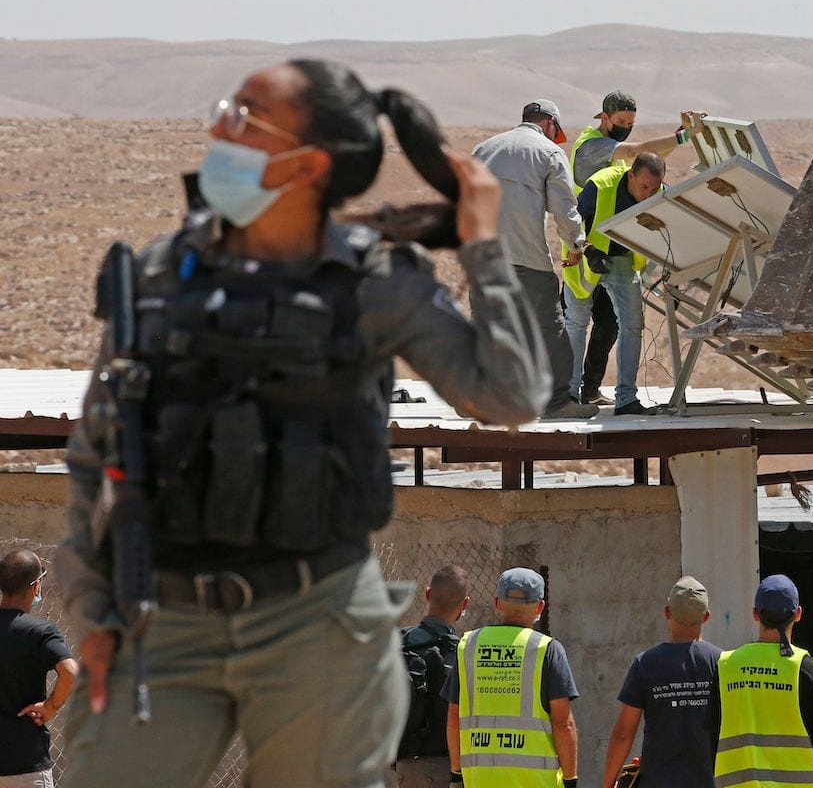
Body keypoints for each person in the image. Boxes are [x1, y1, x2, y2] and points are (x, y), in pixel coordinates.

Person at [54, 59, 551, 788]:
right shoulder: (162, 274)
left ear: (308, 163)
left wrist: (482, 247)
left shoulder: (376, 280)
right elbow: (95, 451)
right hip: (166, 619)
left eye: (245, 117)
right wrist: (92, 611)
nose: (217, 127)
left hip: (317, 621)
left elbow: (511, 396)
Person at [564, 91, 703, 406]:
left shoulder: (648, 185)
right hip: (584, 251)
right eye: (621, 122)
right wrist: (683, 137)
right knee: (577, 322)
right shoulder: (593, 149)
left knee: (618, 325)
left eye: (631, 123)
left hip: (620, 257)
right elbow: (637, 151)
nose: (626, 127)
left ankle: (616, 396)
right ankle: (569, 394)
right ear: (604, 117)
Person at [471, 100, 597, 419]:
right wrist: (575, 245)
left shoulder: (484, 149)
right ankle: (556, 402)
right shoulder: (547, 151)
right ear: (551, 125)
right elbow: (565, 209)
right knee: (548, 327)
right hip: (525, 256)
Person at [443, 568, 579, 787]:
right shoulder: (547, 649)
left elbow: (453, 715)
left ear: (498, 603)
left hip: (480, 781)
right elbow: (563, 724)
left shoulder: (469, 646)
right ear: (540, 607)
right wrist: (571, 779)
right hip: (536, 782)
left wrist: (457, 774)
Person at [712, 574, 813, 788]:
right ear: (798, 614)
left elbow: (708, 736)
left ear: (755, 614)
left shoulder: (725, 666)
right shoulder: (812, 672)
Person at [565, 152, 666, 415]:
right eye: (644, 186)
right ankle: (569, 396)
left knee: (632, 325)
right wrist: (586, 250)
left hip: (622, 262)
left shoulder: (659, 193)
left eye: (654, 188)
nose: (648, 194)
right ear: (630, 175)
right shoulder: (601, 185)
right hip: (586, 259)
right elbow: (570, 222)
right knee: (576, 322)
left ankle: (626, 400)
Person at [602, 576, 722, 788]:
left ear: (667, 613)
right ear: (706, 617)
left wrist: (608, 783)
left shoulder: (645, 663)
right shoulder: (722, 663)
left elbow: (623, 734)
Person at [0, 550, 78, 788]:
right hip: (24, 764)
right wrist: (50, 707)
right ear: (35, 587)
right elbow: (71, 672)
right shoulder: (40, 632)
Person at [395, 565, 471, 773]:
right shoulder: (464, 652)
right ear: (465, 604)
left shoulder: (397, 641)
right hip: (444, 765)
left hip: (398, 762)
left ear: (427, 593)